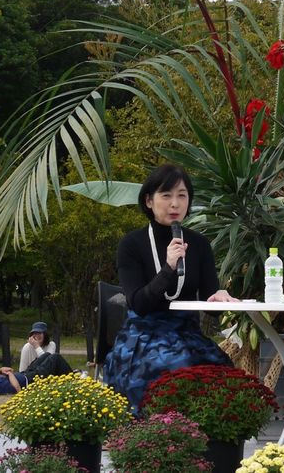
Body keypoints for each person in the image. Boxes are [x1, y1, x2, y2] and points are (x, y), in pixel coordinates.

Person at [103, 163, 238, 411]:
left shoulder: (199, 244)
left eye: (182, 195)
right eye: (166, 195)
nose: (175, 204)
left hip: (187, 333)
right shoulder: (131, 244)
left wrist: (220, 296)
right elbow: (138, 304)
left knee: (224, 374)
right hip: (143, 336)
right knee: (172, 366)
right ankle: (152, 438)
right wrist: (168, 267)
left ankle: (210, 443)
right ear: (149, 201)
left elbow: (212, 310)